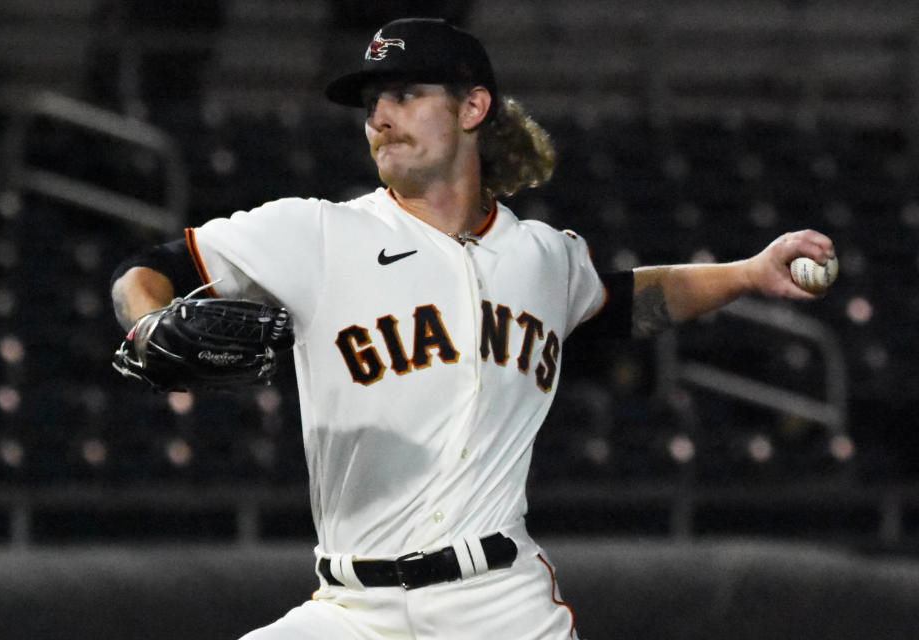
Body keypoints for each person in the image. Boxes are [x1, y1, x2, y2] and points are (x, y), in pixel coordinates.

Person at [110, 18, 835, 640]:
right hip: (352, 610)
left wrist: (747, 272)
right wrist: (148, 325)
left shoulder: (544, 257)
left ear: (473, 106)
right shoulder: (316, 232)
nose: (379, 116)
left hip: (501, 604)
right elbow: (147, 269)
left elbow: (630, 299)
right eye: (370, 103)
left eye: (404, 94)